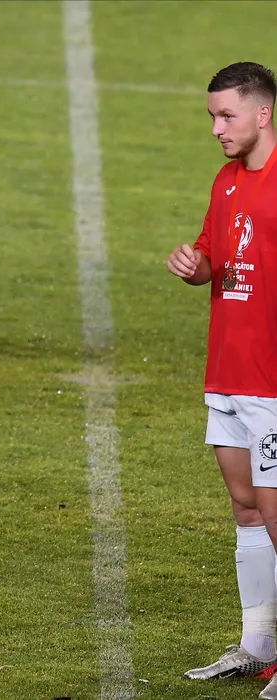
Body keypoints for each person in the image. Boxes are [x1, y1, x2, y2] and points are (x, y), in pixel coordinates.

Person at [168, 62, 277, 699]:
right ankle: (258, 646)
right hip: (228, 373)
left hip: (272, 382)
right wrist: (196, 263)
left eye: (227, 115)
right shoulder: (227, 180)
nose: (216, 128)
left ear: (262, 113)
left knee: (276, 514)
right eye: (212, 116)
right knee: (246, 509)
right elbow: (216, 254)